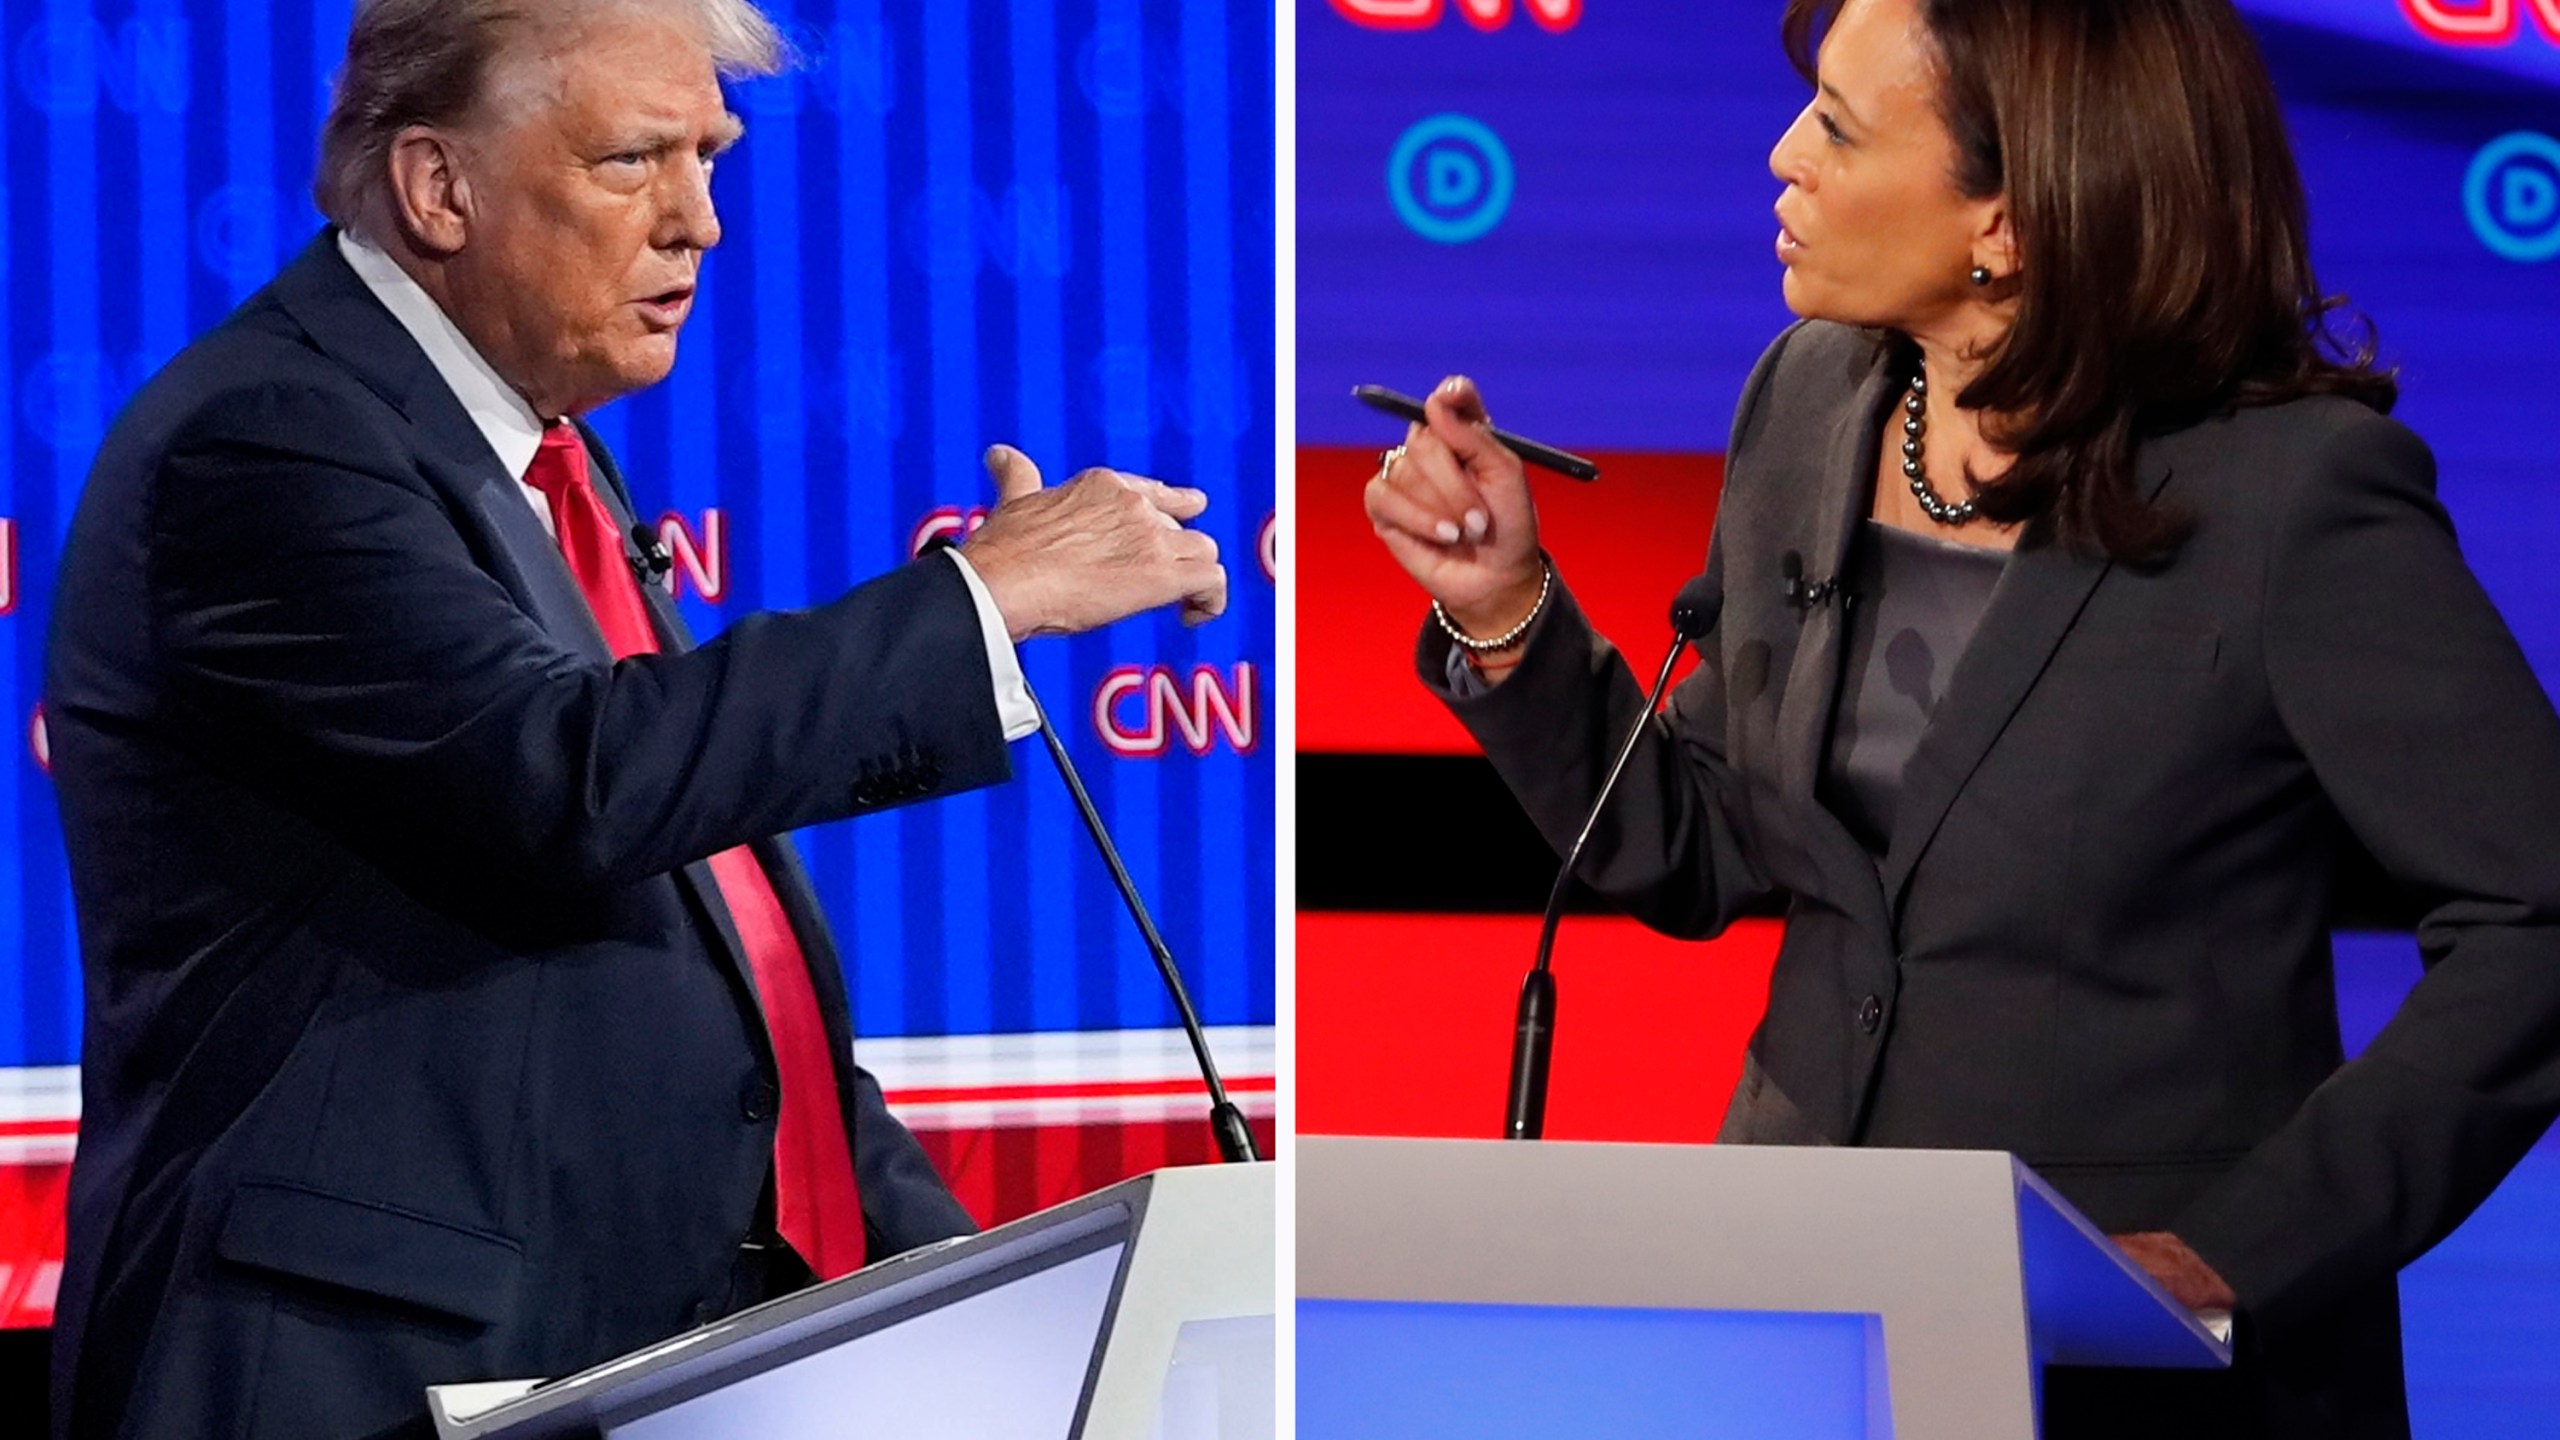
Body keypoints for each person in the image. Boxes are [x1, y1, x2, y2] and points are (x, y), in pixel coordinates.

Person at [1364, 0, 2560, 1434]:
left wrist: (2243, 1253)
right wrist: (1508, 612)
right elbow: (1707, 852)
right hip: (1806, 1325)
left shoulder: (2294, 499)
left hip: (2132, 1357)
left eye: (1840, 128)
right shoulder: (1806, 402)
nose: (1780, 156)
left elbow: (2536, 921)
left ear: (2015, 213)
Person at [44, 2, 1226, 1437]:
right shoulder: (269, 439)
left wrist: (965, 1290)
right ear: (439, 187)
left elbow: (724, 972)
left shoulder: (537, 454)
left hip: (607, 1358)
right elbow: (572, 780)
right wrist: (986, 597)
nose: (699, 225)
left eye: (711, 158)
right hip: (353, 1385)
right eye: (632, 161)